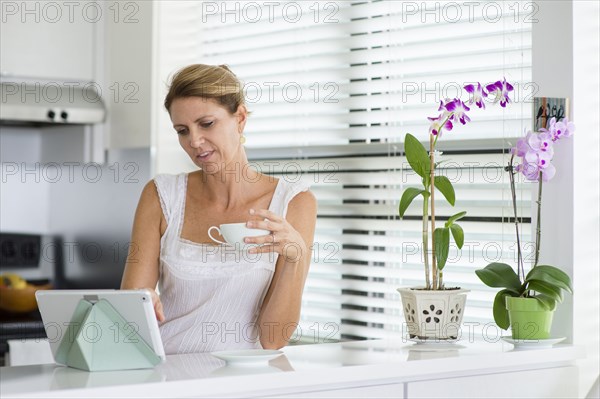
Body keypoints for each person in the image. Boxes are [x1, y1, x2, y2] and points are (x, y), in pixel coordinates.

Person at [121, 64, 317, 354]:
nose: (194, 142)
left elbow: (273, 340)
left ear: (239, 118)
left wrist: (294, 257)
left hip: (244, 382)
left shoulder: (293, 202)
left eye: (206, 124)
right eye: (182, 130)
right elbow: (130, 312)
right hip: (168, 376)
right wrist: (143, 300)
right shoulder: (161, 195)